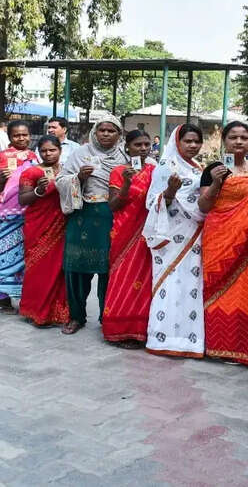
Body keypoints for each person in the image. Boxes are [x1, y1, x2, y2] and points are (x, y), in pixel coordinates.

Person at [198, 121, 248, 365]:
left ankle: (246, 348)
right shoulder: (214, 168)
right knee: (217, 290)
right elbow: (204, 207)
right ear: (224, 141)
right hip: (220, 238)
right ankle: (216, 345)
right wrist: (217, 183)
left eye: (244, 138)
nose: (238, 142)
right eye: (233, 137)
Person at [56, 118, 129, 335]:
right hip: (83, 215)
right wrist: (78, 177)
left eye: (111, 130)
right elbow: (61, 179)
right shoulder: (80, 153)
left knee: (109, 269)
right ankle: (76, 316)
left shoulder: (125, 156)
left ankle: (107, 316)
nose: (106, 134)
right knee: (77, 268)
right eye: (102, 130)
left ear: (119, 134)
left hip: (113, 216)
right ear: (95, 132)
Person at [143, 124, 206, 358]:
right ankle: (162, 338)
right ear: (176, 142)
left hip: (194, 235)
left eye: (196, 142)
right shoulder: (164, 167)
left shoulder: (199, 168)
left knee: (190, 286)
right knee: (169, 284)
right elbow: (151, 203)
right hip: (170, 237)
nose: (192, 146)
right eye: (187, 141)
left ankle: (190, 342)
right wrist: (169, 192)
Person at [103, 130, 155, 346]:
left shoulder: (155, 171)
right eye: (137, 145)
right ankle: (118, 327)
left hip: (148, 233)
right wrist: (126, 183)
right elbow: (113, 205)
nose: (142, 149)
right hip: (124, 232)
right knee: (122, 278)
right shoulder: (118, 171)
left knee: (144, 281)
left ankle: (141, 329)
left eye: (146, 144)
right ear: (128, 148)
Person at [17, 135, 70, 327]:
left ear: (60, 150)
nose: (48, 154)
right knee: (38, 269)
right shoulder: (31, 172)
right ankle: (37, 312)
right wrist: (39, 191)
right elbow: (23, 199)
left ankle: (59, 313)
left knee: (59, 270)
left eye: (52, 150)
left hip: (62, 224)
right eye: (44, 151)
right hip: (38, 225)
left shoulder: (67, 170)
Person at [0, 120, 36, 310]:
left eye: (25, 134)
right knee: (1, 257)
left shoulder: (34, 157)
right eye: (17, 135)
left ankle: (23, 297)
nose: (21, 138)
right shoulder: (0, 158)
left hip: (27, 215)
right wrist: (1, 179)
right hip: (3, 217)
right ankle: (2, 297)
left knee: (24, 259)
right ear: (10, 137)